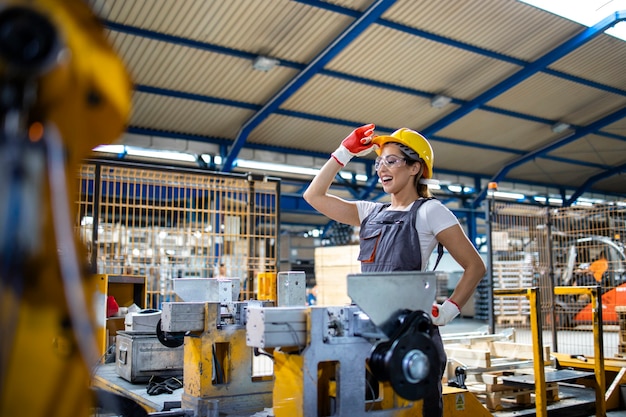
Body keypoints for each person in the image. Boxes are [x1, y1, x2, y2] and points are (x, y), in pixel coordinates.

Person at [303, 123, 486, 417]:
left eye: (391, 161)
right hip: (367, 334)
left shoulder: (430, 211)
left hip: (411, 334)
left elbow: (475, 266)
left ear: (415, 168)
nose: (381, 169)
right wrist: (343, 152)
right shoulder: (369, 213)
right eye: (378, 162)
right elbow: (313, 196)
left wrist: (451, 309)